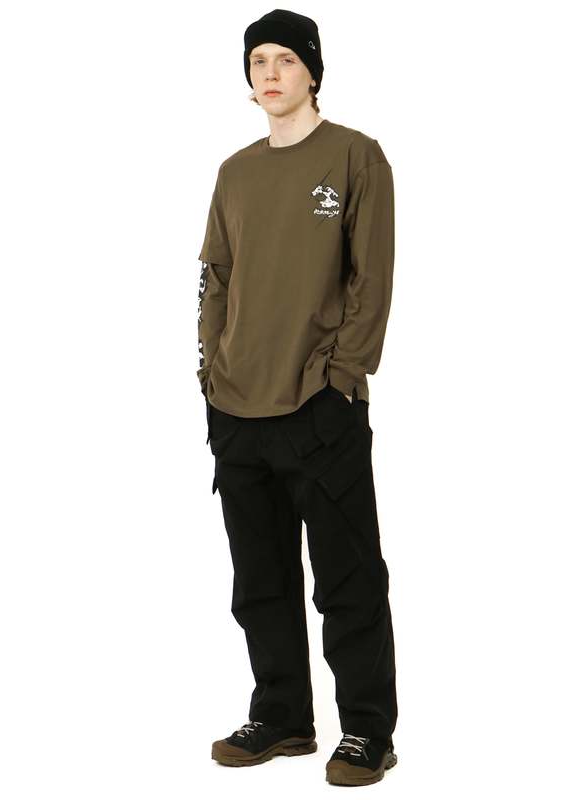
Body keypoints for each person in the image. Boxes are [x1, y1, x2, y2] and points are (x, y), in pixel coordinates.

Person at [196, 9, 398, 787]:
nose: (270, 73)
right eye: (259, 62)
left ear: (312, 71)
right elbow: (215, 278)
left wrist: (342, 377)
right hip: (238, 409)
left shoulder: (356, 157)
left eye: (285, 59)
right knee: (261, 581)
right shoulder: (235, 173)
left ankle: (367, 731)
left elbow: (371, 279)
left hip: (320, 404)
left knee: (348, 577)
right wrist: (211, 375)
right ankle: (282, 715)